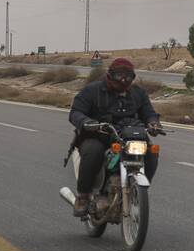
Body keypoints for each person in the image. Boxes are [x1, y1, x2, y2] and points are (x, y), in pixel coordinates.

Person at [67, 57, 163, 216]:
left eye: (128, 76)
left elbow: (149, 113)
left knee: (151, 150)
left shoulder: (138, 93)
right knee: (93, 151)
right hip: (99, 135)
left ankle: (139, 189)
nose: (124, 80)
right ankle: (83, 196)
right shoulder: (92, 90)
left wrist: (153, 123)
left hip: (129, 135)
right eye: (120, 75)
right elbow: (75, 112)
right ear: (110, 75)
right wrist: (87, 122)